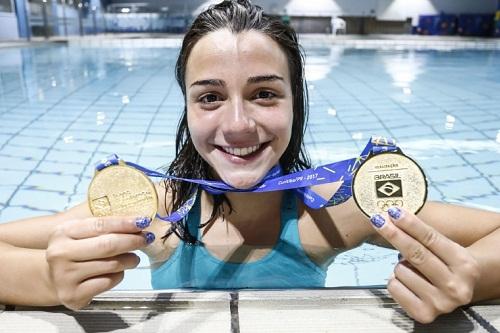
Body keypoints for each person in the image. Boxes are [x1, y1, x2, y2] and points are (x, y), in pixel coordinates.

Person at [0, 0, 499, 324]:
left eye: (263, 93)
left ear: (295, 104)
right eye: (210, 97)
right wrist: (47, 278)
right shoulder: (152, 210)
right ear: (188, 109)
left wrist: (468, 273)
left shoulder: (334, 210)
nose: (237, 125)